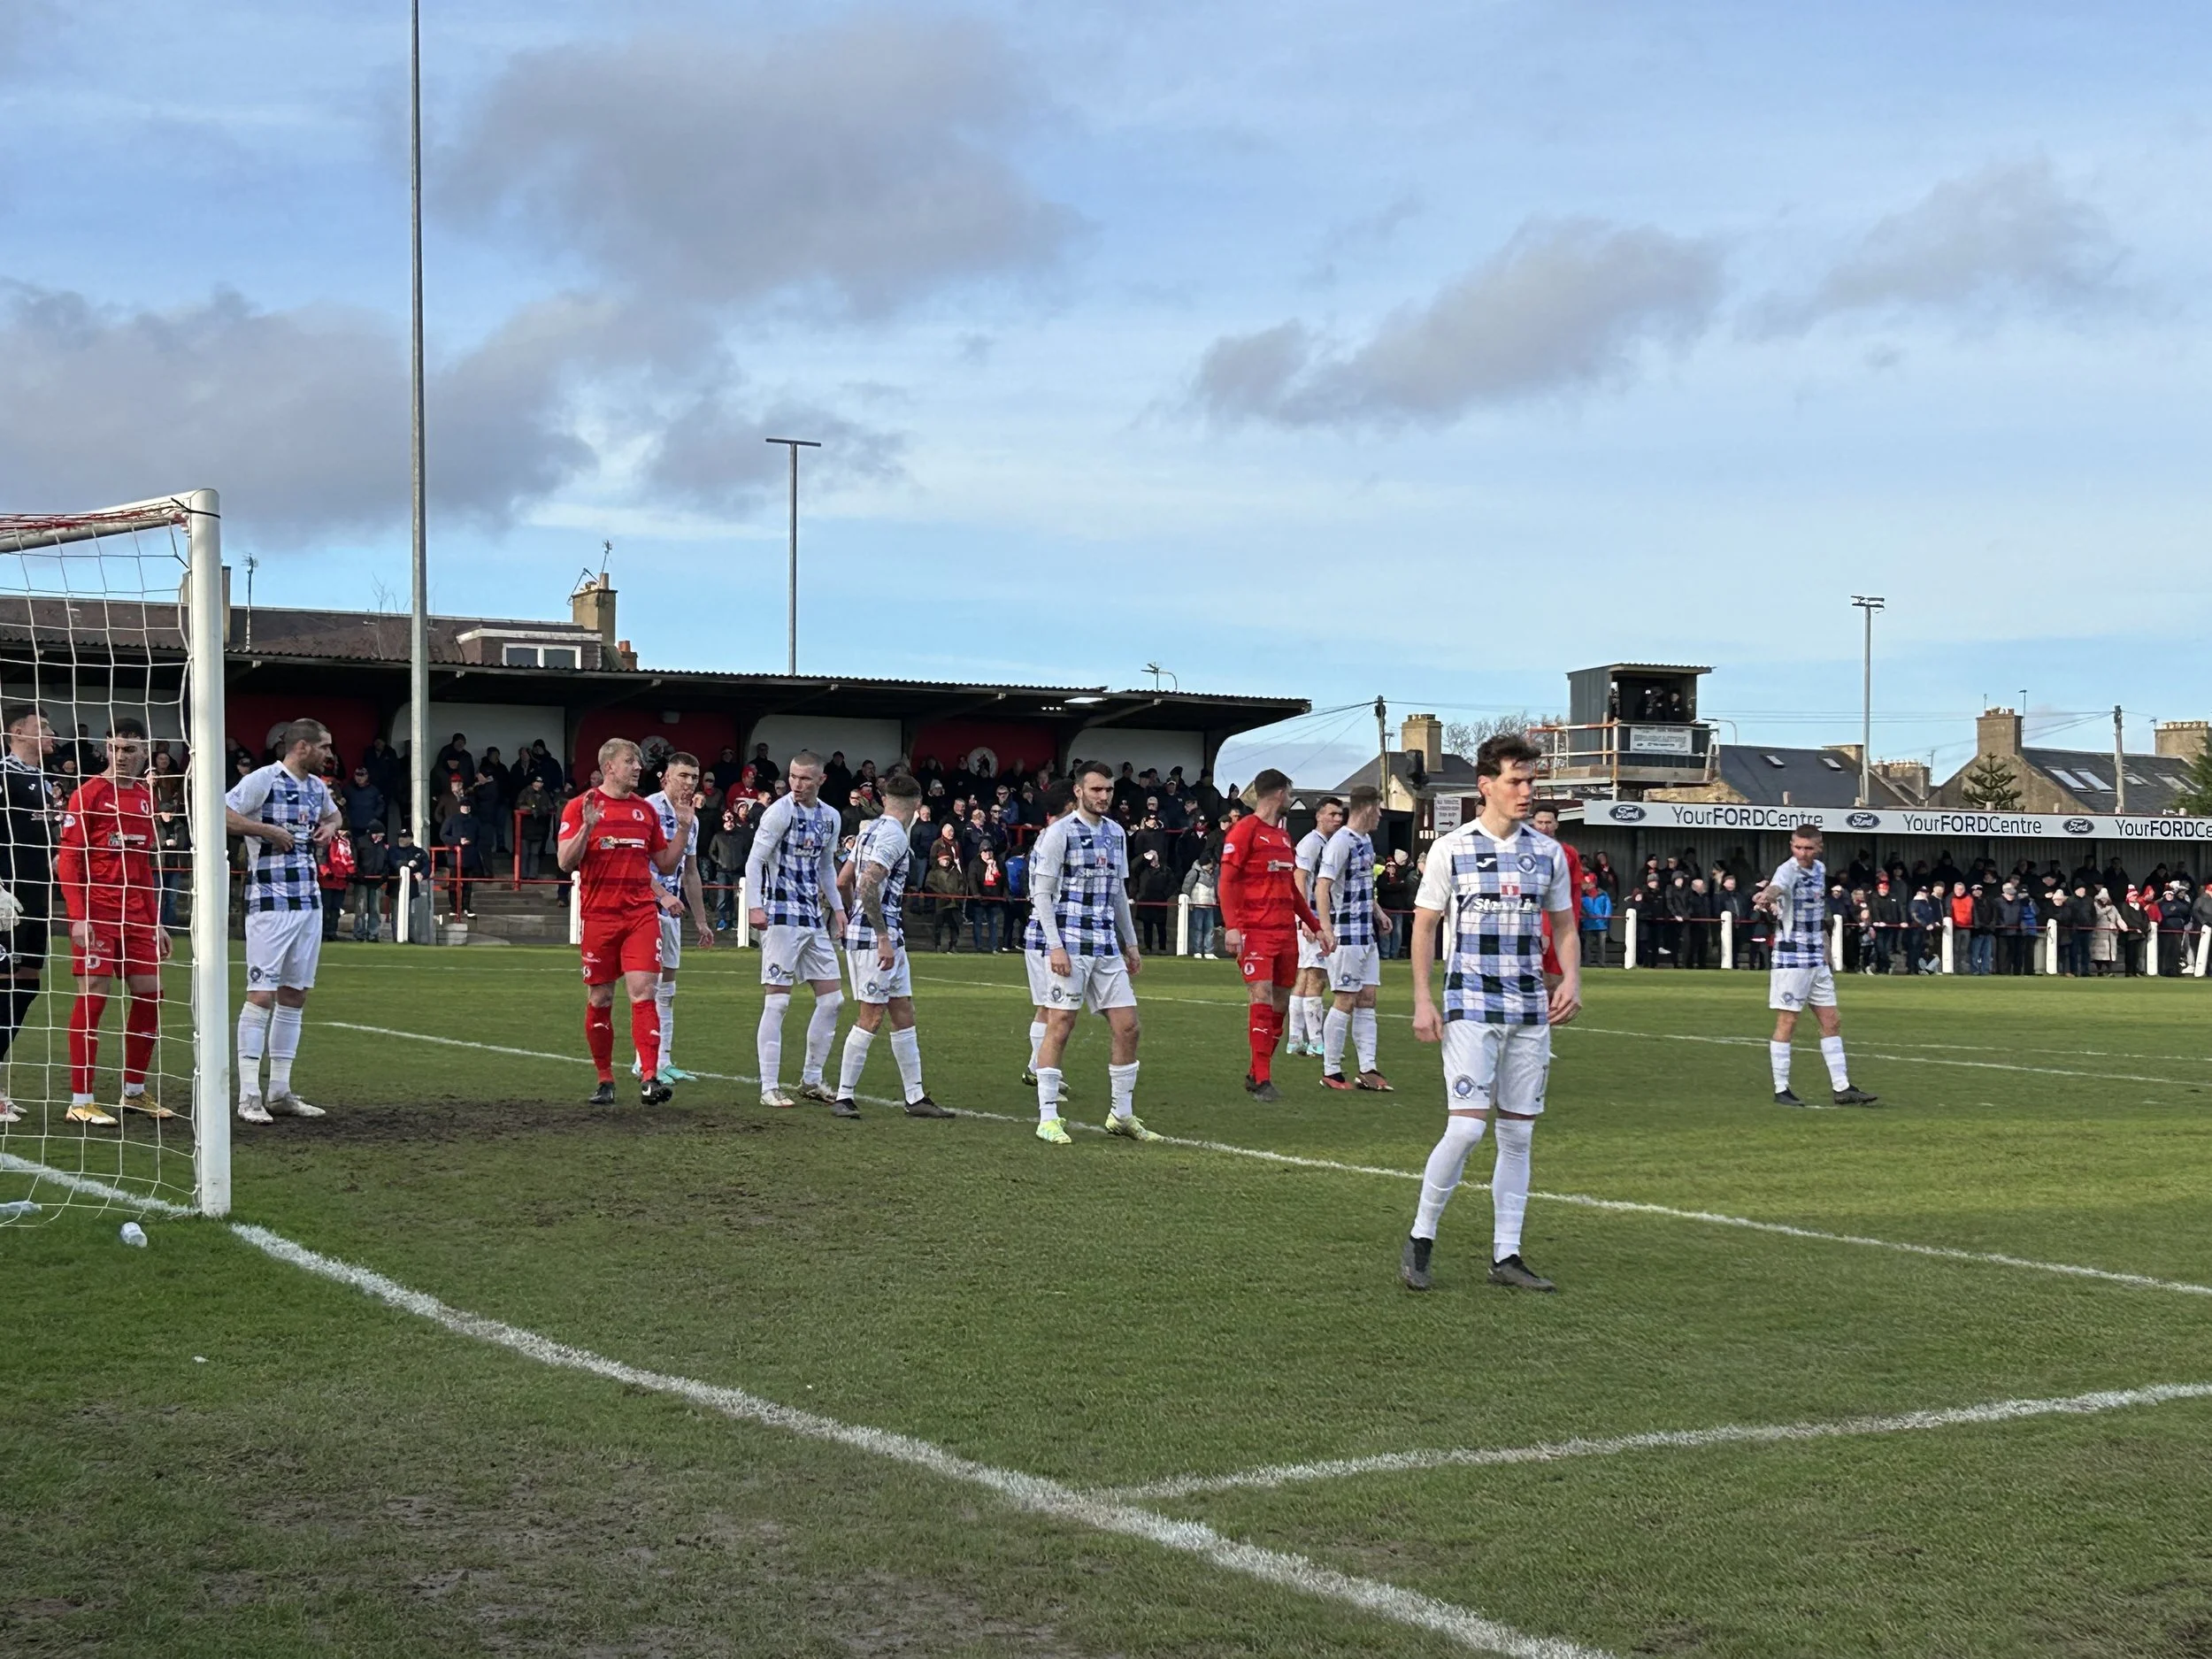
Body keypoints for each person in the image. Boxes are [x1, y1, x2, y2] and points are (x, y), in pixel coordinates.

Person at [1401, 734, 1578, 1295]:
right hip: (1469, 1001)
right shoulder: (1452, 849)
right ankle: (1421, 1237)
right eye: (1516, 782)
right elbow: (1424, 926)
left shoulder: (1548, 853)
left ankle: (1507, 1253)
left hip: (1529, 1005)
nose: (1527, 792)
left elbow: (1566, 925)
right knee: (1467, 1127)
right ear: (1486, 786)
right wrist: (1424, 1000)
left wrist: (1571, 978)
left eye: (1531, 783)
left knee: (1519, 1135)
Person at [1024, 760, 1159, 1145]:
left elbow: (1117, 893)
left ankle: (1121, 1114)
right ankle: (1048, 1117)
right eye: (1096, 789)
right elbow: (1043, 895)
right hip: (1069, 943)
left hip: (1105, 946)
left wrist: (1130, 944)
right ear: (1079, 792)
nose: (1103, 796)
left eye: (1109, 790)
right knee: (1061, 1024)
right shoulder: (1058, 834)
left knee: (1128, 1026)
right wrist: (1055, 946)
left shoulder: (1116, 833)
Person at [557, 737, 690, 1106]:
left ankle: (649, 1077)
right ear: (609, 767)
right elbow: (565, 863)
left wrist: (683, 829)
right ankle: (604, 1079)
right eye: (631, 761)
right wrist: (587, 827)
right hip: (599, 917)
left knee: (644, 992)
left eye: (638, 762)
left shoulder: (643, 811)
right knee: (600, 997)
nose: (638, 767)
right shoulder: (578, 806)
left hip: (640, 915)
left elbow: (664, 863)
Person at [225, 719, 342, 1123]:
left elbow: (335, 816)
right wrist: (265, 830)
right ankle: (248, 1095)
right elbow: (221, 815)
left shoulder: (317, 787)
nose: (330, 753)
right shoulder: (264, 779)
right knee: (261, 995)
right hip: (271, 902)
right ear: (303, 747)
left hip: (308, 902)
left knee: (295, 994)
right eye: (325, 747)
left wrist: (329, 826)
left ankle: (279, 1091)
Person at [54, 718, 169, 1124]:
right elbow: (67, 860)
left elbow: (142, 868)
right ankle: (80, 1100)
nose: (121, 757)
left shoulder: (143, 798)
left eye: (129, 750)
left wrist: (155, 922)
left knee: (151, 993)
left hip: (136, 913)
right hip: (97, 912)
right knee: (95, 996)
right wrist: (78, 917)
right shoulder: (89, 793)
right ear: (106, 750)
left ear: (144, 753)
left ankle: (134, 1091)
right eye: (115, 749)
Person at [830, 775, 950, 1119]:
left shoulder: (869, 829)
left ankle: (915, 1096)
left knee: (903, 1010)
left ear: (885, 800)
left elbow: (843, 880)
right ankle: (843, 1095)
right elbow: (868, 881)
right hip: (878, 938)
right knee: (872, 1015)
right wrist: (879, 934)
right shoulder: (895, 835)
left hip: (883, 934)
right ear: (918, 804)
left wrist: (854, 917)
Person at [1218, 768, 1330, 1102]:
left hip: (1285, 933)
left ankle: (1256, 1071)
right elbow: (1225, 882)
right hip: (1255, 931)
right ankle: (1264, 1079)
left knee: (1281, 1001)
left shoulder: (1282, 837)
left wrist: (1314, 924)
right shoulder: (1244, 831)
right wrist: (1233, 926)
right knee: (1262, 996)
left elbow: (1292, 891)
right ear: (1280, 793)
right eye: (1289, 793)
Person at [744, 751, 848, 1109]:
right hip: (781, 917)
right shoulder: (779, 812)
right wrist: (754, 906)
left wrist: (838, 909)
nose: (797, 785)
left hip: (812, 918)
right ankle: (769, 1086)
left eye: (805, 779)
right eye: (793, 777)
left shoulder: (830, 817)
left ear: (821, 780)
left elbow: (825, 868)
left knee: (833, 1000)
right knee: (778, 1001)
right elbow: (755, 860)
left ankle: (812, 1079)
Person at [1755, 826, 1878, 1109]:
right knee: (1788, 1022)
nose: (1802, 853)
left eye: (1808, 848)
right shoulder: (1787, 870)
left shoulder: (1820, 869)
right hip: (1791, 960)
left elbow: (1815, 911)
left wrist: (1824, 948)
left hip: (1815, 960)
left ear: (1819, 847)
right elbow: (1776, 887)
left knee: (1832, 1021)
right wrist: (1766, 897)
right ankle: (1781, 1088)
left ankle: (1842, 1087)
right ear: (1791, 846)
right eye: (1798, 847)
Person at [635, 753, 715, 1087]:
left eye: (694, 777)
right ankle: (644, 1062)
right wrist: (662, 895)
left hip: (671, 910)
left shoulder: (691, 820)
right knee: (647, 988)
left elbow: (691, 872)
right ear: (664, 777)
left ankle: (663, 1060)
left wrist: (701, 920)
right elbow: (636, 863)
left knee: (668, 989)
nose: (689, 783)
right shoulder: (647, 810)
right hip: (643, 906)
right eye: (682, 775)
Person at [0, 707, 60, 1125]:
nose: (51, 733)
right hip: (7, 899)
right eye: (42, 727)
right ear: (17, 731)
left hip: (36, 901)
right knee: (3, 990)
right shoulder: (2, 773)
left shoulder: (44, 782)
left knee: (27, 988)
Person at [1315, 785, 1393, 1091]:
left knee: (1368, 998)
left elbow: (1362, 885)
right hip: (1346, 933)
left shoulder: (1366, 840)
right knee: (1345, 999)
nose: (1381, 815)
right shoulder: (1340, 843)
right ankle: (1331, 1070)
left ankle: (1368, 1069)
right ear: (1368, 808)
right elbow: (1322, 886)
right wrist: (1326, 926)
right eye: (1379, 808)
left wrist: (1378, 911)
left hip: (1366, 933)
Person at [1286, 796, 1345, 1057]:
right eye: (1332, 814)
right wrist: (1307, 917)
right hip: (1312, 917)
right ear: (1319, 815)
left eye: (1340, 815)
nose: (1337, 819)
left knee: (1303, 975)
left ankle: (1296, 1039)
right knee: (1316, 977)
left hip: (1312, 917)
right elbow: (1299, 877)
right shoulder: (1312, 843)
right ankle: (1317, 1042)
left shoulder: (1327, 843)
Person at [1182, 852, 1219, 958]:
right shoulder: (1194, 873)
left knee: (1210, 929)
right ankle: (1197, 951)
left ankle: (1209, 952)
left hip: (1210, 904)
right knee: (1197, 928)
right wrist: (1188, 901)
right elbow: (1186, 887)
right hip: (1197, 904)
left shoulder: (1214, 874)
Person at [1578, 875, 1612, 968]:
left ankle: (1601, 962)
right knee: (1587, 945)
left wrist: (1606, 917)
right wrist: (1584, 915)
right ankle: (1587, 962)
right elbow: (1579, 907)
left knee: (1602, 946)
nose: (1586, 885)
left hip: (1601, 924)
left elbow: (1608, 906)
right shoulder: (1582, 896)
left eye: (1588, 882)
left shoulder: (1603, 894)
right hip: (1588, 924)